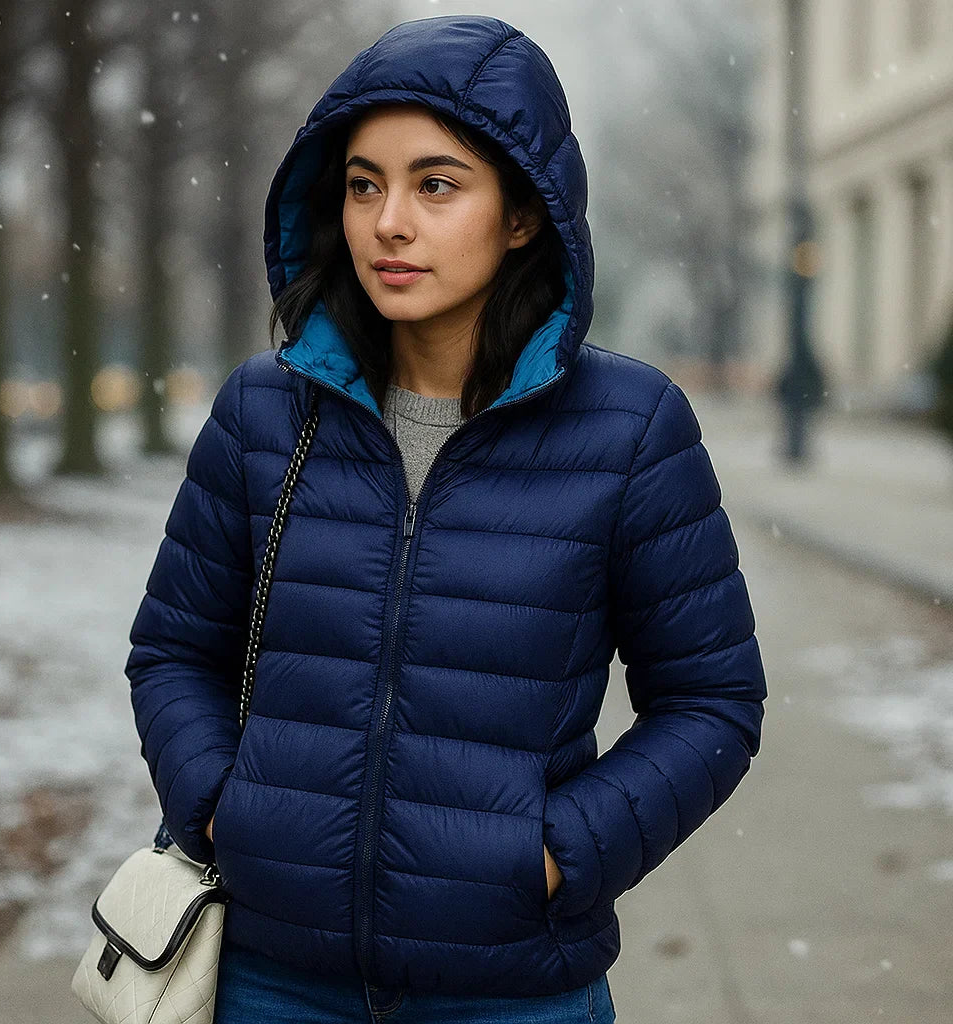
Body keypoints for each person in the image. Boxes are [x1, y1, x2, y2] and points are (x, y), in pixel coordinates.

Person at [125, 14, 768, 1023]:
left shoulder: (630, 427)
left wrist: (555, 856)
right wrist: (220, 809)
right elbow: (173, 650)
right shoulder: (264, 413)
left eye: (436, 184)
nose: (389, 222)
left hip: (511, 991)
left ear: (522, 214)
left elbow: (710, 701)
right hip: (274, 978)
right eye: (363, 184)